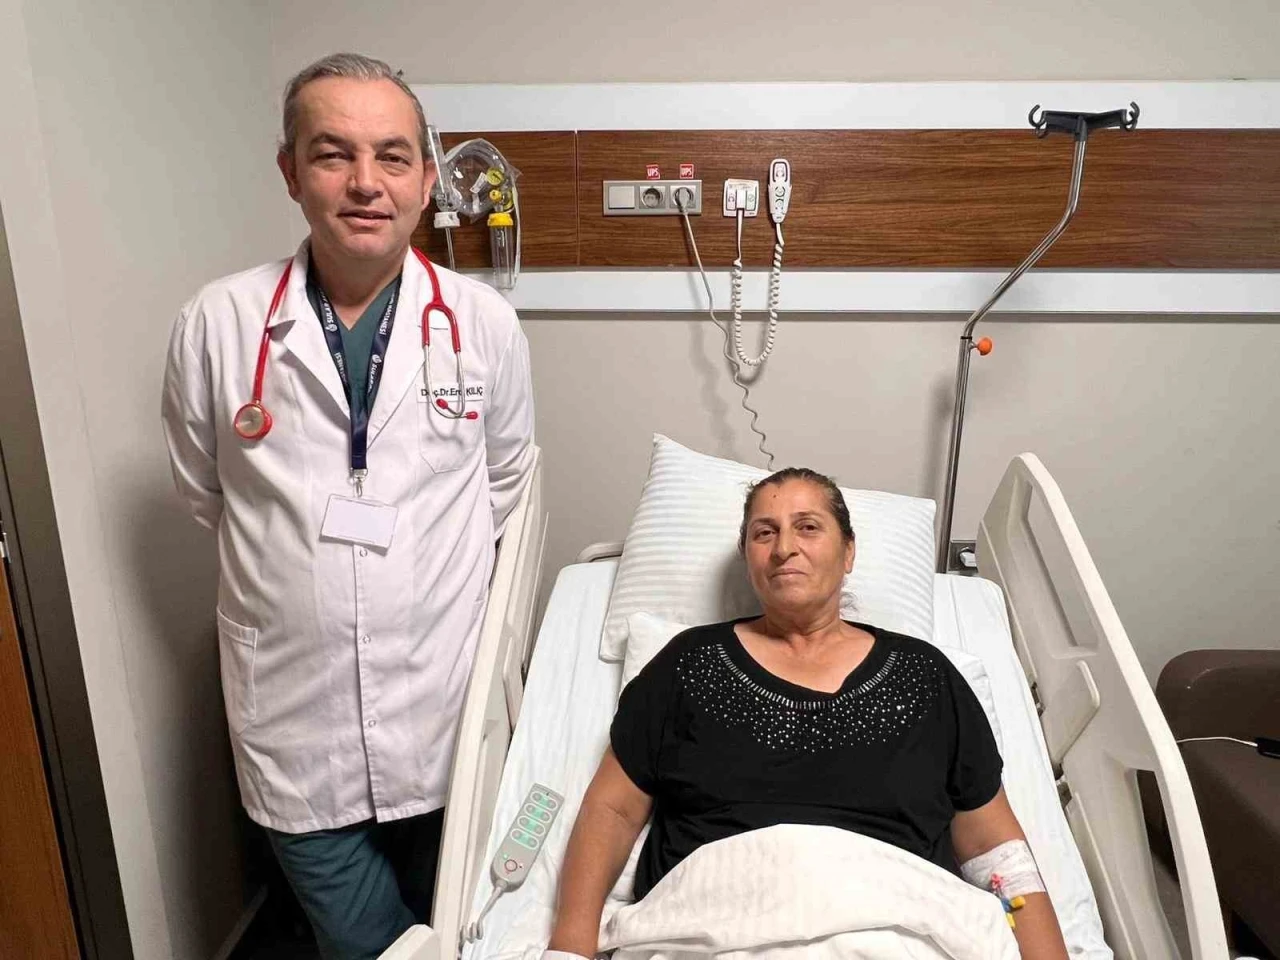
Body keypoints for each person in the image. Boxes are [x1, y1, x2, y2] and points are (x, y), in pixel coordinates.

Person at [161, 52, 535, 960]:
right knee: (364, 944)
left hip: (442, 709)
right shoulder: (218, 322)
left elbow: (505, 485)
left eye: (393, 156)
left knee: (463, 931)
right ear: (290, 171)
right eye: (334, 154)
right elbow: (204, 489)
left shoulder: (483, 324)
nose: (367, 182)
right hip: (297, 721)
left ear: (427, 180)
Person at [547, 468, 1068, 960]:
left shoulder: (924, 675)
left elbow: (995, 849)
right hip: (711, 930)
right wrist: (569, 948)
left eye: (808, 527)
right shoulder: (689, 663)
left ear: (848, 551)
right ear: (747, 555)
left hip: (896, 933)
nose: (784, 548)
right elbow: (612, 811)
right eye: (764, 532)